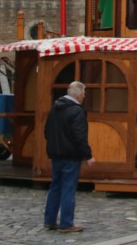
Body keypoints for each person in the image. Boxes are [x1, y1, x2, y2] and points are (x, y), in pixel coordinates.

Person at [43, 81, 95, 233]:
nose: (84, 97)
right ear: (79, 95)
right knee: (68, 189)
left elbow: (47, 131)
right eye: (84, 94)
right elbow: (79, 136)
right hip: (70, 155)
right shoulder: (76, 111)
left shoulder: (55, 108)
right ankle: (66, 223)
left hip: (56, 154)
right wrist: (88, 155)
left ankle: (50, 220)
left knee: (55, 187)